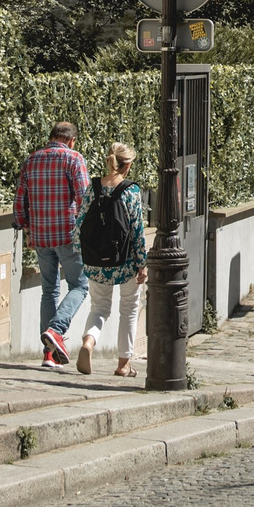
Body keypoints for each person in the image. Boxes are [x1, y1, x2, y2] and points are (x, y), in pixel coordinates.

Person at [13, 121, 92, 367]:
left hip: (40, 236)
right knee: (79, 286)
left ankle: (49, 355)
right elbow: (84, 198)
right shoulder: (73, 158)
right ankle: (57, 331)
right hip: (68, 235)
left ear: (51, 137)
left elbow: (20, 198)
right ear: (71, 140)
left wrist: (24, 227)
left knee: (49, 290)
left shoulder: (32, 160)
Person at [77, 142, 148, 376]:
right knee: (128, 309)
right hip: (124, 262)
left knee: (99, 307)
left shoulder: (93, 187)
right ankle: (123, 364)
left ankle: (89, 341)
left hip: (96, 260)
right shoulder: (131, 191)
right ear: (127, 165)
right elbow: (137, 229)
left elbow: (79, 223)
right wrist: (142, 264)